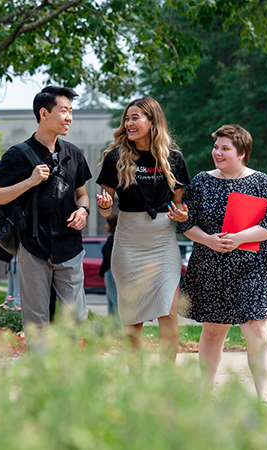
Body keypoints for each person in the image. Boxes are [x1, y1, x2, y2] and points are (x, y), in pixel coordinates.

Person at [176, 124, 267, 403]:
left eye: (225, 148)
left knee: (256, 328)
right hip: (210, 265)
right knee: (213, 329)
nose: (217, 153)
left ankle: (264, 397)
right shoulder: (200, 181)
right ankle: (206, 392)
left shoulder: (262, 182)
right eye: (216, 147)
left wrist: (237, 238)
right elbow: (186, 222)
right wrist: (208, 240)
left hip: (253, 268)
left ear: (242, 153)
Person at [0, 86, 91, 340]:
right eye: (64, 111)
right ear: (44, 113)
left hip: (69, 245)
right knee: (37, 321)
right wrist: (29, 182)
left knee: (75, 316)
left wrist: (84, 211)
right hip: (33, 246)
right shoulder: (18, 155)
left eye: (71, 112)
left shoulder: (73, 153)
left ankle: (65, 370)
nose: (69, 118)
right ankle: (42, 375)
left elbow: (82, 194)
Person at [95, 97, 190, 360]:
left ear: (152, 121)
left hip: (162, 244)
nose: (129, 123)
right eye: (127, 118)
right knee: (132, 320)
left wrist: (181, 215)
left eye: (135, 118)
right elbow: (105, 208)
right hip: (128, 244)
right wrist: (104, 204)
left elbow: (180, 206)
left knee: (168, 315)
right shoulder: (116, 157)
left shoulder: (174, 158)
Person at [98, 215, 118, 316]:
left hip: (110, 271)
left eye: (107, 224)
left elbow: (107, 259)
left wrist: (101, 272)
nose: (106, 226)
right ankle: (112, 323)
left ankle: (115, 324)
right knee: (113, 297)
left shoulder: (112, 239)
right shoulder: (118, 239)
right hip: (114, 271)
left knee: (113, 297)